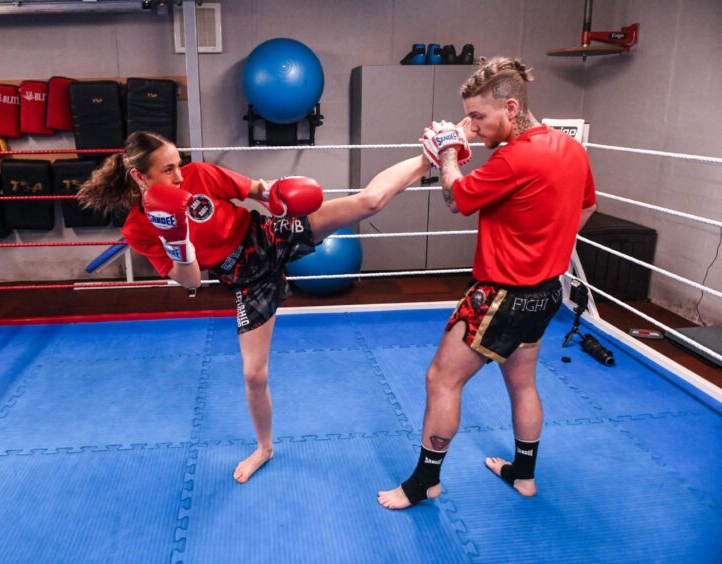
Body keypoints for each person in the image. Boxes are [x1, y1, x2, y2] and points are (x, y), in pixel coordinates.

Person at [79, 131, 429, 483]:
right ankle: (265, 448)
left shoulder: (200, 174)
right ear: (140, 177)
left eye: (178, 165)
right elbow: (191, 282)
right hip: (245, 279)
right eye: (168, 170)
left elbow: (258, 190)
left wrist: (280, 195)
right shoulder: (140, 227)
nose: (180, 176)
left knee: (368, 202)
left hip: (268, 235)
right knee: (253, 375)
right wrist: (178, 240)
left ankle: (429, 156)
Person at [378, 56, 598, 509]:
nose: (474, 126)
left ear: (511, 108)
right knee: (522, 384)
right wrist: (543, 240)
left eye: (479, 116)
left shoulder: (515, 158)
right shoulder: (569, 148)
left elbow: (456, 199)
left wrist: (447, 152)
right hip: (545, 294)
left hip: (502, 296)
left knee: (441, 379)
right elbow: (587, 207)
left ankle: (424, 483)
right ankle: (524, 475)